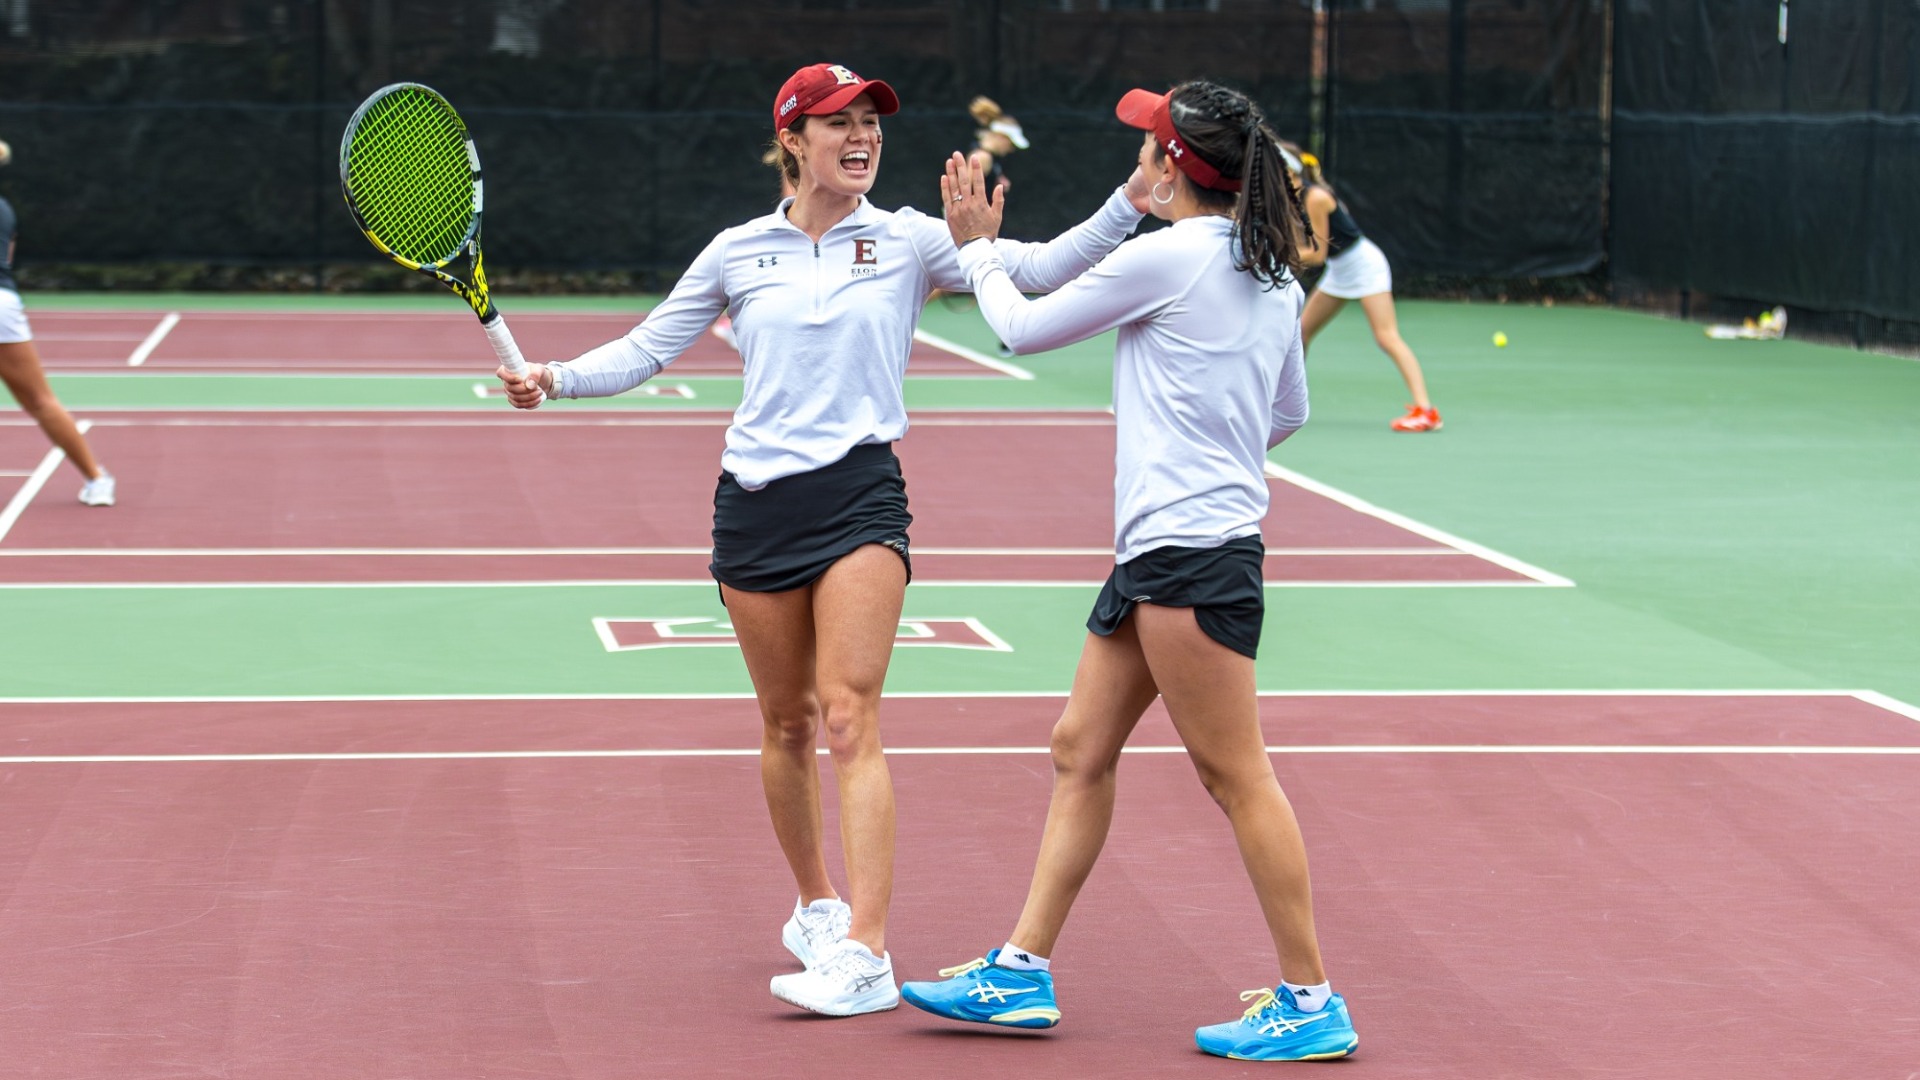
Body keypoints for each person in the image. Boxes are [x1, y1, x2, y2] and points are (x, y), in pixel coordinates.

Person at [495, 62, 1147, 1018]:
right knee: (787, 725)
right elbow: (646, 347)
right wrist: (552, 376)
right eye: (839, 122)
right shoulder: (736, 250)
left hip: (860, 498)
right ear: (792, 139)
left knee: (850, 716)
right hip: (754, 503)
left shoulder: (910, 240)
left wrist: (1129, 200)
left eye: (872, 122)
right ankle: (815, 904)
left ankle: (869, 952)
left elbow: (1039, 270)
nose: (864, 136)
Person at [897, 81, 1360, 1062]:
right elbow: (1287, 416)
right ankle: (1021, 972)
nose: (1137, 158)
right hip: (1172, 551)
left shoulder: (1171, 257)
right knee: (1078, 747)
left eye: (1149, 146)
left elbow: (1018, 326)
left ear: (1174, 170)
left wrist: (975, 246)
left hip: (1189, 559)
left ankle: (1311, 997)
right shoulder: (1269, 269)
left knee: (1238, 777)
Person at [1282, 142, 1440, 433]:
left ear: (1290, 172)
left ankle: (1426, 411)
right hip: (1340, 269)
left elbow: (1315, 253)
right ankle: (1287, 402)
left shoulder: (1315, 197)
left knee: (1386, 336)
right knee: (1301, 332)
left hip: (1364, 265)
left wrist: (1275, 252)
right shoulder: (1291, 198)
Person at [0, 148, 115, 507]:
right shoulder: (5, 210)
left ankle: (97, 478)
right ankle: (97, 479)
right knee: (40, 400)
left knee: (39, 400)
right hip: (3, 303)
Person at [967, 95, 1029, 196]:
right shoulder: (982, 157)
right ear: (1001, 137)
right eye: (1011, 144)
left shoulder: (990, 158)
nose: (1011, 150)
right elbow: (964, 193)